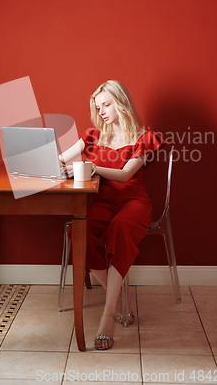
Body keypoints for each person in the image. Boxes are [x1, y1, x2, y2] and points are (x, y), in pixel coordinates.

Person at [59, 80, 164, 350]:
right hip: (101, 201)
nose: (102, 111)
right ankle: (117, 300)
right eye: (98, 106)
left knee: (119, 227)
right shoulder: (92, 136)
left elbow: (126, 174)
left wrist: (91, 167)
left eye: (107, 104)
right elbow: (60, 159)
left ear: (122, 102)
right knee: (78, 230)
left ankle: (107, 317)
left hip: (133, 201)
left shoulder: (144, 137)